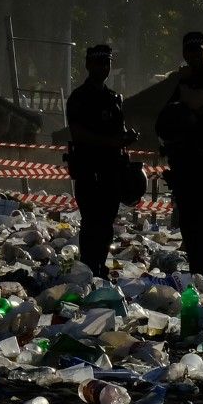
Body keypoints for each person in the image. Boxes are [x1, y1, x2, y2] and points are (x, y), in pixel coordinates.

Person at [153, 30, 203, 279]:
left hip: (201, 159)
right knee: (185, 220)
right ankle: (196, 270)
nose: (194, 56)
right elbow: (164, 118)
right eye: (189, 51)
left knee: (201, 221)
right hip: (181, 159)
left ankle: (202, 271)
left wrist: (182, 83)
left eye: (199, 50)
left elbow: (196, 101)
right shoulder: (181, 82)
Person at [65, 44, 134, 274]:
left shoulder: (114, 98)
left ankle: (99, 265)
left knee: (106, 224)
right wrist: (109, 142)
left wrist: (126, 140)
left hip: (111, 170)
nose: (103, 67)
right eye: (98, 63)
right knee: (90, 222)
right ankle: (88, 267)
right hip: (88, 169)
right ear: (88, 65)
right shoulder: (80, 98)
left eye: (107, 63)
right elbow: (78, 133)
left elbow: (120, 130)